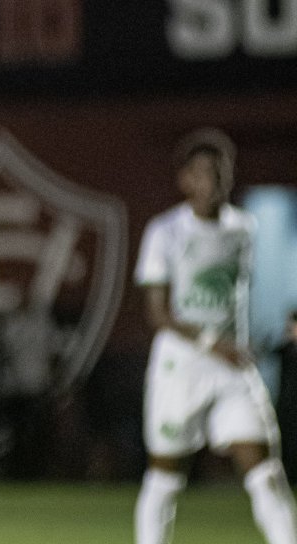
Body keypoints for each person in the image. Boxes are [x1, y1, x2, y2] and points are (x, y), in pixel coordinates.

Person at [134, 128, 297, 544]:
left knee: (265, 472)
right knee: (166, 478)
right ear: (185, 179)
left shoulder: (244, 228)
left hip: (233, 369)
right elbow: (158, 313)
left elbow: (251, 293)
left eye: (221, 173)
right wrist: (213, 344)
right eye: (203, 173)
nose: (213, 182)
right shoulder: (165, 231)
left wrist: (286, 318)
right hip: (180, 367)